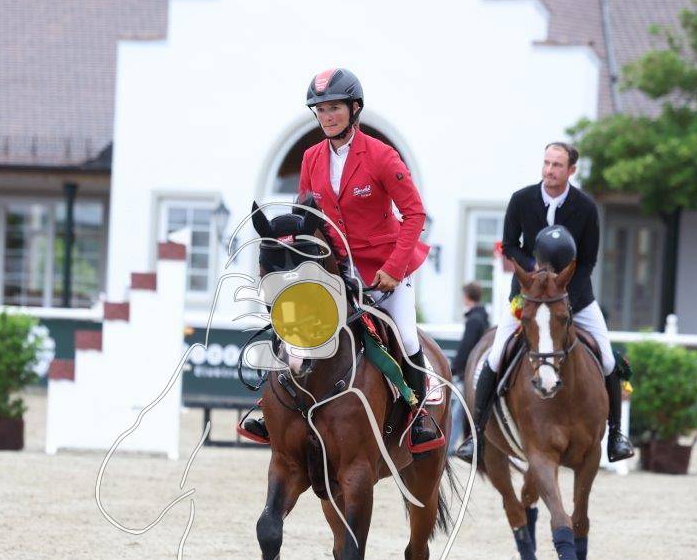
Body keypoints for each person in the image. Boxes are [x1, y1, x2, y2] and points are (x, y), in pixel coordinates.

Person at [239, 67, 443, 454]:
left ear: (354, 108)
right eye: (321, 110)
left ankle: (419, 416)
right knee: (292, 323)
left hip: (385, 269)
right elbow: (305, 216)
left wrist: (394, 269)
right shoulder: (311, 158)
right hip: (334, 269)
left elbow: (415, 214)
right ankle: (271, 409)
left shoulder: (382, 156)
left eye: (334, 108)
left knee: (405, 334)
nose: (327, 116)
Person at [456, 142, 633, 464]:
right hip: (526, 296)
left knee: (608, 359)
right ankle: (475, 435)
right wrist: (533, 270)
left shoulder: (586, 207)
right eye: (547, 163)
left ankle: (616, 436)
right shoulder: (522, 199)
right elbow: (509, 246)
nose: (549, 171)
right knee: (495, 356)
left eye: (557, 165)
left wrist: (563, 296)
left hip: (574, 298)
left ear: (571, 170)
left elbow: (588, 260)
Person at [449, 281, 489, 452]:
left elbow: (466, 347)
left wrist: (454, 368)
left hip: (468, 373)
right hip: (476, 371)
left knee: (458, 412)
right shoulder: (482, 317)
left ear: (467, 296)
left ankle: (449, 448)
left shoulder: (473, 320)